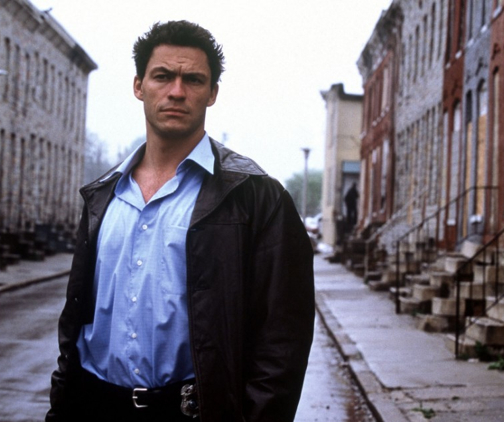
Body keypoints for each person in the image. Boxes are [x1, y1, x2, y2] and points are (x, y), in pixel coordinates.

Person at [46, 20, 315, 422]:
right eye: (162, 76)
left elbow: (283, 341)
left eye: (193, 79)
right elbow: (75, 327)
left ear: (212, 93)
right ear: (139, 86)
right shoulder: (102, 196)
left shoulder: (256, 196)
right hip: (93, 408)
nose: (176, 91)